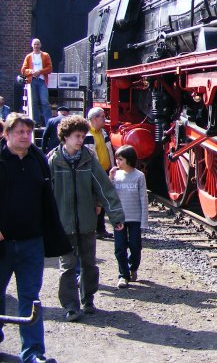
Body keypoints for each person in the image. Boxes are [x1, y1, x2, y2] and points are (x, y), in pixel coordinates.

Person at [0, 113, 67, 363]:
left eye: (28, 132)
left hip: (31, 243)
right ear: (7, 134)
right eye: (19, 132)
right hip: (3, 244)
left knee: (31, 298)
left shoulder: (38, 160)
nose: (25, 136)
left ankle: (33, 353)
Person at [48, 115, 124, 322]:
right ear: (65, 137)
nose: (81, 140)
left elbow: (104, 188)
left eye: (82, 136)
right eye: (77, 136)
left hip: (87, 222)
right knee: (67, 266)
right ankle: (71, 306)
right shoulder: (53, 161)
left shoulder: (88, 160)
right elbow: (45, 193)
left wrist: (116, 216)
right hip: (64, 224)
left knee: (89, 264)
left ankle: (88, 299)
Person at [110, 146, 148, 288]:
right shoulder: (116, 175)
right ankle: (123, 275)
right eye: (117, 159)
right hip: (120, 217)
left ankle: (133, 267)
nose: (117, 162)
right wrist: (111, 178)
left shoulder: (139, 176)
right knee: (119, 247)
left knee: (135, 246)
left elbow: (143, 198)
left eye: (120, 159)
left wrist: (144, 220)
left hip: (135, 218)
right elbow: (111, 195)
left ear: (129, 160)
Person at [83, 108, 115, 239]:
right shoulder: (85, 134)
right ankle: (94, 229)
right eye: (102, 116)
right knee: (94, 202)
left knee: (102, 201)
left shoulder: (103, 132)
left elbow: (109, 150)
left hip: (105, 170)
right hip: (94, 171)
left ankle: (101, 229)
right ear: (94, 118)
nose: (104, 118)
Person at [20, 39, 53, 127]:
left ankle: (48, 123)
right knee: (33, 102)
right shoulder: (29, 56)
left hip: (42, 81)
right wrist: (32, 71)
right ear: (32, 45)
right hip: (32, 81)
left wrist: (40, 72)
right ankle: (36, 122)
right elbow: (23, 70)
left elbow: (50, 68)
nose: (36, 46)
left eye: (38, 44)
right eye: (35, 44)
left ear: (40, 45)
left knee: (44, 102)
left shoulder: (45, 55)